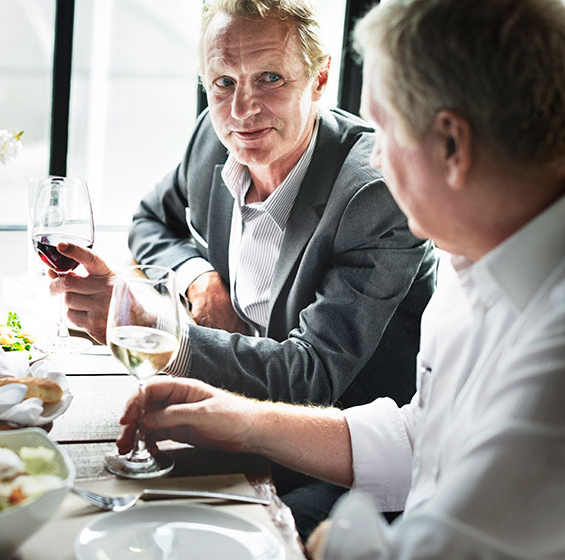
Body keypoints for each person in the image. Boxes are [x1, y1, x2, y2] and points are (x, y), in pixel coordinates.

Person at [114, 0, 565, 557]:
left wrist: (332, 545)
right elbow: (419, 440)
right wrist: (243, 420)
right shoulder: (472, 267)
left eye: (386, 129)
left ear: (452, 146)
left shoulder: (555, 347)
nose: (375, 157)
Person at [50, 0, 435, 538]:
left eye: (270, 78)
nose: (242, 109)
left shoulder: (373, 194)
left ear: (320, 79)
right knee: (72, 491)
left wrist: (162, 327)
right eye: (223, 82)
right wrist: (197, 278)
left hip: (337, 462)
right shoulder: (214, 135)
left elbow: (313, 377)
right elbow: (151, 220)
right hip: (226, 411)